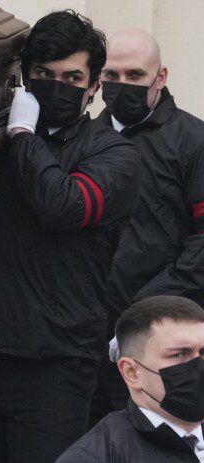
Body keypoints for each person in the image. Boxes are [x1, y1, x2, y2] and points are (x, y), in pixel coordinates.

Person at [0, 10, 141, 463]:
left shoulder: (114, 155)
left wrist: (24, 135)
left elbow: (61, 205)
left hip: (52, 370)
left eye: (71, 77)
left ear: (93, 87)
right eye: (43, 74)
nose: (56, 86)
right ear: (24, 77)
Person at [90, 28, 204, 425]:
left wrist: (146, 310)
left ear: (161, 77)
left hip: (165, 338)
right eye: (112, 76)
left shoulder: (193, 140)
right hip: (87, 335)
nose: (123, 86)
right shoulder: (85, 141)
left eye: (135, 75)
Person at [58, 295, 204, 462]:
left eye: (203, 352)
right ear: (132, 372)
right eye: (178, 354)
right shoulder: (96, 456)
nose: (198, 365)